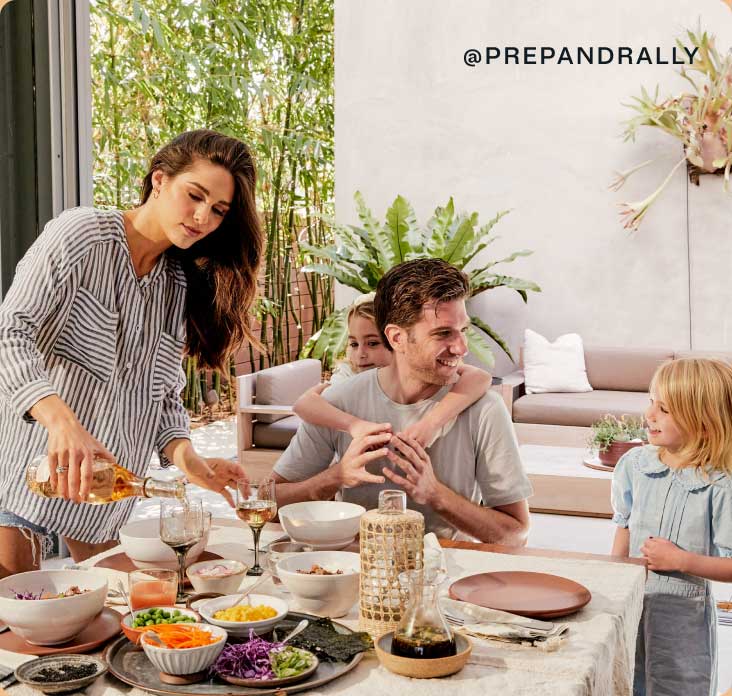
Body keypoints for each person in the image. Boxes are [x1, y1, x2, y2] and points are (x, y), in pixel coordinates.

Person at [0, 129, 262, 575]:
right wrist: (63, 425)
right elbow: (10, 333)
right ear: (159, 180)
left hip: (103, 493)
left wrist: (191, 462)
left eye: (218, 210)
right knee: (17, 623)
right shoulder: (80, 236)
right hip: (27, 476)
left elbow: (160, 397)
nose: (202, 217)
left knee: (126, 618)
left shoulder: (173, 284)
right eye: (194, 195)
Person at [273, 258, 532, 542]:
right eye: (443, 333)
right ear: (397, 338)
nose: (461, 347)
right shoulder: (339, 402)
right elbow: (269, 502)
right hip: (352, 573)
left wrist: (437, 496)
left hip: (447, 576)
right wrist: (335, 477)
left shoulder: (484, 410)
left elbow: (515, 534)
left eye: (463, 331)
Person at [610, 358, 732, 696]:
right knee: (623, 680)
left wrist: (682, 561)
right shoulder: (634, 466)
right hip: (631, 605)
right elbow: (623, 525)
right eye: (651, 401)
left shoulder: (719, 486)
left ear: (704, 424)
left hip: (684, 621)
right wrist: (615, 576)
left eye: (664, 409)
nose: (649, 414)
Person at [293, 293, 493, 446]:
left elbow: (479, 377)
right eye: (354, 344)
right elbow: (304, 404)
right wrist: (355, 425)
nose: (361, 354)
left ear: (397, 341)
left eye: (372, 344)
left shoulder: (429, 376)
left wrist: (430, 424)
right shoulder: (348, 375)